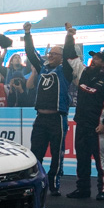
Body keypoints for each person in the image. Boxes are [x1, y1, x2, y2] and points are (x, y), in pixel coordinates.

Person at [63, 23, 104, 201]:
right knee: (82, 159)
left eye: (96, 58)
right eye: (92, 58)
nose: (92, 60)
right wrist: (69, 37)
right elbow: (70, 56)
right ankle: (83, 189)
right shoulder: (83, 73)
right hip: (81, 124)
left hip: (98, 127)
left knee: (101, 159)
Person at [23, 21, 74, 196]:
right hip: (41, 118)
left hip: (57, 118)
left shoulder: (65, 70)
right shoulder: (42, 68)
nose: (50, 55)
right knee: (36, 151)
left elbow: (68, 53)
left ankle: (54, 182)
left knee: (56, 152)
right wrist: (28, 34)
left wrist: (68, 35)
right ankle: (37, 181)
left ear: (61, 57)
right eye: (50, 53)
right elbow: (31, 53)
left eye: (54, 53)